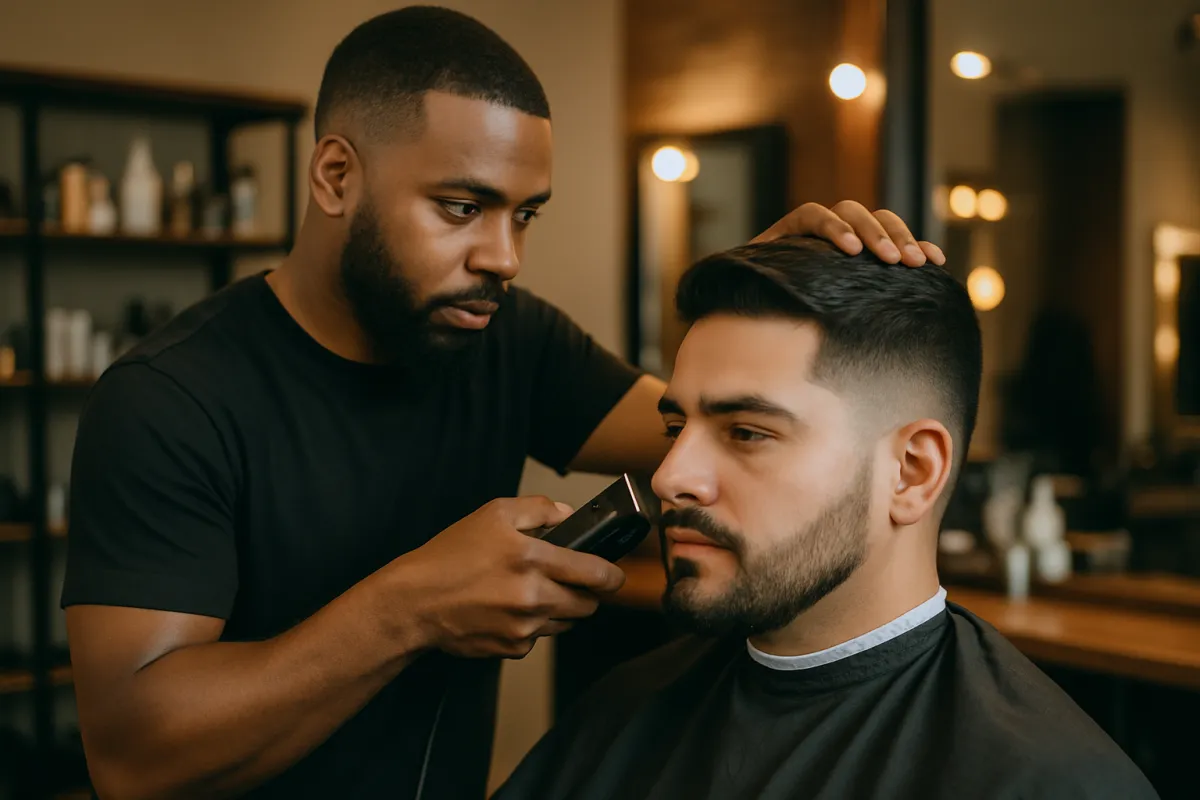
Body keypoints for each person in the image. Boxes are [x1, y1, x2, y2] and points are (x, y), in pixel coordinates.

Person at [60, 7, 943, 800]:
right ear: (335, 176)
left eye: (525, 216)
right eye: (461, 207)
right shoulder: (171, 401)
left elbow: (694, 434)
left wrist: (756, 305)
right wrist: (410, 607)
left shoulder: (505, 340)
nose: (504, 256)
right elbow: (136, 759)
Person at [494, 236, 1160, 800]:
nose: (670, 477)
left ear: (914, 472)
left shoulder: (1050, 779)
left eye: (747, 432)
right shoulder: (625, 710)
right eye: (676, 428)